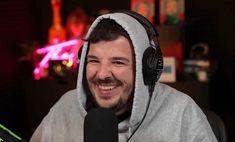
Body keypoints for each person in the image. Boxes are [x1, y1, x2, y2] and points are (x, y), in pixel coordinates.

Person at [30, 10, 217, 142]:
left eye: (118, 62)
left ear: (146, 68)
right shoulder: (66, 107)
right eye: (93, 60)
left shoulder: (181, 112)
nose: (102, 74)